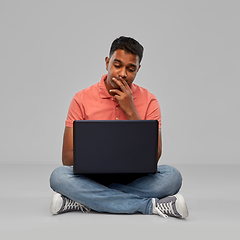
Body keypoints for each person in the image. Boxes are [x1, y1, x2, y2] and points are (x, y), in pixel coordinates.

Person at [49, 36, 189, 218]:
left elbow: (154, 155)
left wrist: (131, 111)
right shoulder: (81, 99)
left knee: (172, 176)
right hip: (91, 177)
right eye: (117, 65)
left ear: (138, 69)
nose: (123, 73)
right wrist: (102, 154)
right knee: (59, 176)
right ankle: (149, 206)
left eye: (131, 69)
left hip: (135, 178)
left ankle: (85, 199)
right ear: (107, 63)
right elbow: (67, 158)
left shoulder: (150, 101)